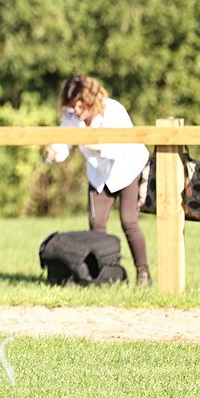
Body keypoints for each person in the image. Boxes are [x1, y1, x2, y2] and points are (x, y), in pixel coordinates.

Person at [45, 74, 152, 286]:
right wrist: (53, 154)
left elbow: (127, 145)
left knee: (128, 221)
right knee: (97, 224)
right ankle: (102, 275)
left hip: (127, 168)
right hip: (99, 175)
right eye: (72, 105)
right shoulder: (70, 117)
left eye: (80, 104)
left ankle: (143, 273)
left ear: (91, 98)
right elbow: (64, 144)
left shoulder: (113, 110)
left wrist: (99, 145)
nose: (76, 110)